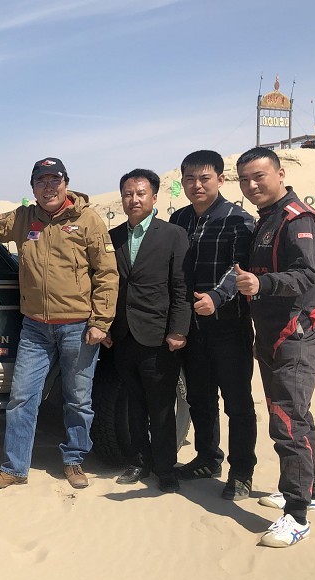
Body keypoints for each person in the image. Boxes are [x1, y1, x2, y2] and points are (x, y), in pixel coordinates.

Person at [0, 157, 118, 490]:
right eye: (41, 181)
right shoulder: (24, 218)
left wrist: (101, 321)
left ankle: (74, 460)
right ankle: (14, 467)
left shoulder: (88, 220)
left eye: (54, 180)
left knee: (78, 399)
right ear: (33, 187)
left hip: (78, 328)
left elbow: (107, 274)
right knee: (22, 398)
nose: (48, 187)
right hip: (35, 328)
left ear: (66, 183)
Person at [235, 147, 315, 548]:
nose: (252, 185)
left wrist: (263, 284)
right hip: (270, 333)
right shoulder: (266, 218)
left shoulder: (298, 219)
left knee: (287, 419)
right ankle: (310, 490)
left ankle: (297, 514)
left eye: (259, 176)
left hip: (298, 332)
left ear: (280, 173)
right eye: (244, 179)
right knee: (293, 413)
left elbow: (306, 274)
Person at [169, 150, 257, 499]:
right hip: (191, 327)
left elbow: (240, 270)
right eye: (190, 179)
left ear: (220, 179)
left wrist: (216, 298)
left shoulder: (239, 220)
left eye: (204, 178)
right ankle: (207, 458)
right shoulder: (179, 218)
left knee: (237, 403)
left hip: (229, 326)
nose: (197, 185)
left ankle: (242, 472)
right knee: (199, 398)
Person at [105, 169, 191, 493]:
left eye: (140, 193)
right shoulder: (113, 237)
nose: (134, 199)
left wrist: (178, 330)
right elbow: (107, 286)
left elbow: (181, 287)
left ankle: (165, 467)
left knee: (162, 407)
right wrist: (106, 325)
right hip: (123, 336)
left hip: (158, 336)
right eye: (128, 194)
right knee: (134, 403)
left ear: (154, 197)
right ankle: (139, 461)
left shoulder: (173, 235)